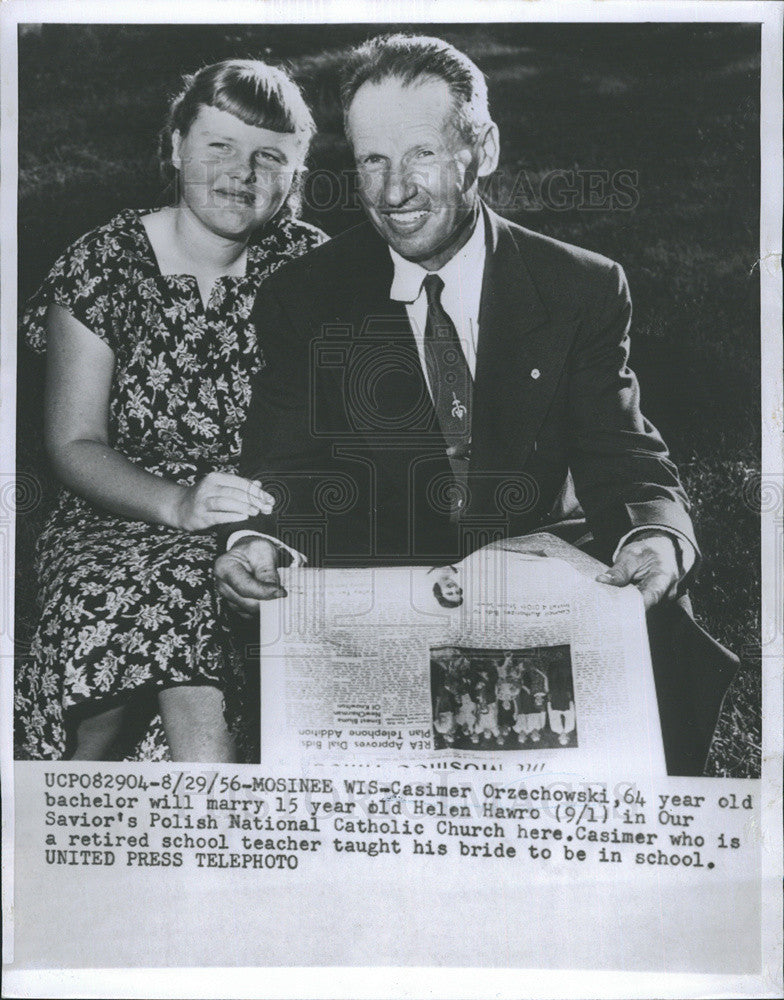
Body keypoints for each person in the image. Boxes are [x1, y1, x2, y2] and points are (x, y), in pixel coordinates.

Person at [215, 34, 738, 774]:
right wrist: (257, 542)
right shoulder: (306, 299)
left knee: (656, 654)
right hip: (380, 580)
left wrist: (654, 534)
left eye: (421, 154)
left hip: (535, 565)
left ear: (481, 149)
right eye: (371, 159)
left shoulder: (580, 287)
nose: (392, 191)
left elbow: (620, 451)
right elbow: (281, 465)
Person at [15, 60, 326, 762]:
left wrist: (250, 521)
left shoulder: (313, 270)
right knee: (163, 594)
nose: (242, 172)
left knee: (205, 587)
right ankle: (107, 790)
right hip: (116, 512)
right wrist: (178, 504)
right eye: (219, 146)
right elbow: (73, 443)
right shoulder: (103, 264)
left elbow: (336, 432)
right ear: (176, 146)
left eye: (268, 156)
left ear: (294, 176)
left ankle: (150, 801)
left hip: (266, 516)